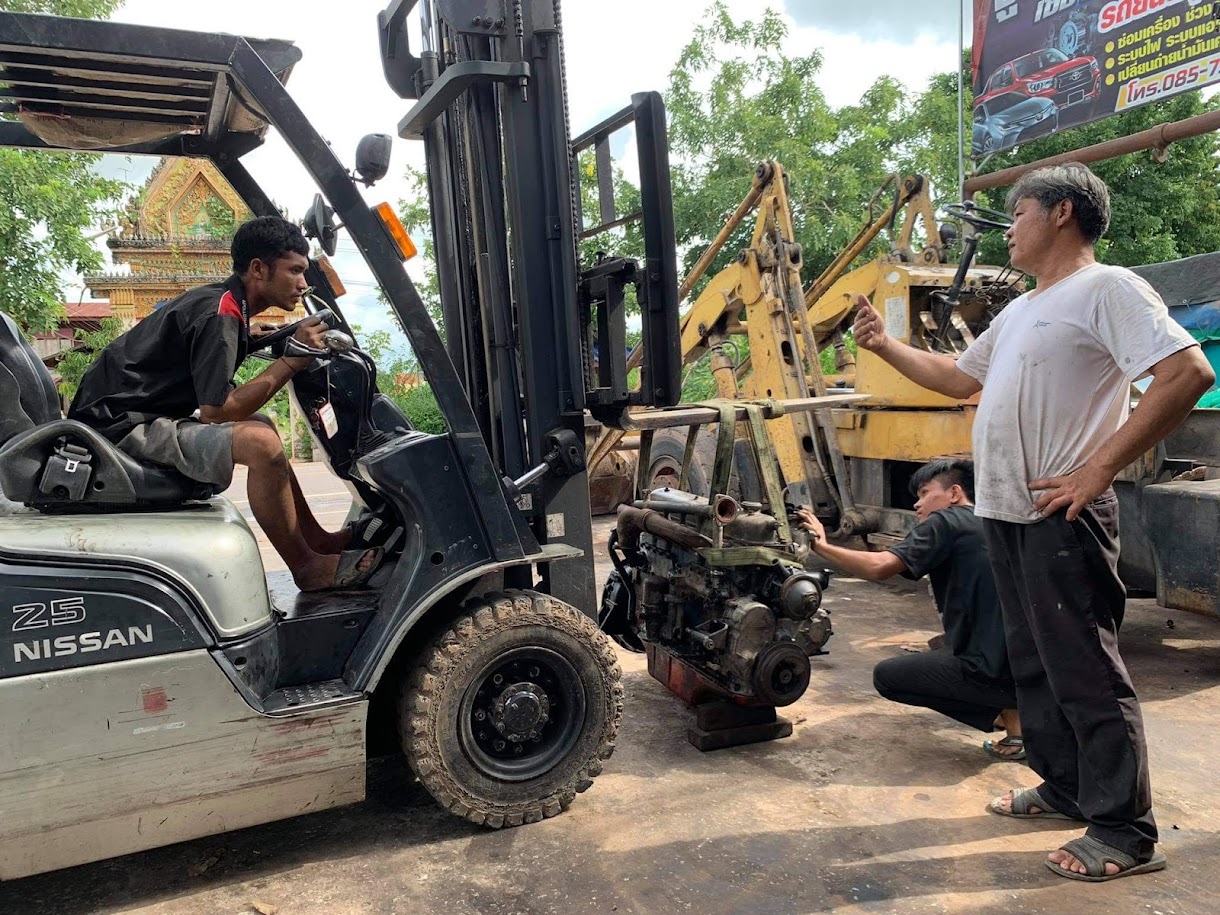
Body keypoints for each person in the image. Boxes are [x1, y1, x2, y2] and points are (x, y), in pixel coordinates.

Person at [851, 163, 1213, 881]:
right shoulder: (1022, 309)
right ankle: (1068, 786)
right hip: (1007, 514)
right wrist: (885, 346)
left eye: (1018, 213)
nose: (1007, 230)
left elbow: (1187, 373)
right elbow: (959, 378)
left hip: (1062, 514)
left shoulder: (1107, 288)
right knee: (1037, 668)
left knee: (1085, 669)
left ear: (1062, 212)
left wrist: (1098, 468)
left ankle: (1125, 829)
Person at [69, 216, 382, 592]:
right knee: (261, 443)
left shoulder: (226, 306)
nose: (303, 283)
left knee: (262, 424)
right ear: (258, 269)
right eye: (295, 270)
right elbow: (217, 411)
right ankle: (306, 568)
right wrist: (293, 358)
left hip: (134, 418)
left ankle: (318, 541)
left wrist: (251, 338)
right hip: (119, 429)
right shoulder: (222, 313)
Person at [796, 459, 1023, 761]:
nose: (917, 504)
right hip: (1024, 660)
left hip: (990, 665)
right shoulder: (991, 523)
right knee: (945, 645)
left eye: (925, 493)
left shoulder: (946, 521)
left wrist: (823, 547)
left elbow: (880, 567)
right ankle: (1016, 719)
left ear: (954, 493)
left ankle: (1008, 715)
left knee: (888, 677)